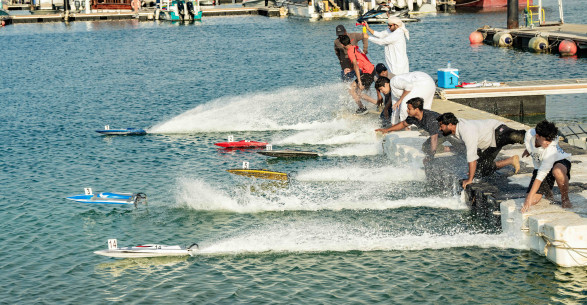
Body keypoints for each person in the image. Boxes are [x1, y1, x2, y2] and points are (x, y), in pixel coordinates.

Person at [436, 112, 524, 189]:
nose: (440, 128)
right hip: (490, 144)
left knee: (517, 137)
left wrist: (469, 180)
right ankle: (511, 160)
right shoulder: (453, 131)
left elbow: (472, 157)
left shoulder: (466, 131)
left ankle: (535, 135)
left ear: (450, 125)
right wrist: (473, 170)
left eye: (441, 126)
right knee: (481, 171)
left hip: (496, 130)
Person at [521, 120, 572, 212]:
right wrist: (529, 150)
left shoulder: (550, 149)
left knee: (557, 172)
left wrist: (529, 197)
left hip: (559, 161)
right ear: (537, 136)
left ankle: (565, 199)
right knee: (532, 201)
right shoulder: (529, 134)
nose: (549, 142)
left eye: (551, 140)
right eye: (546, 140)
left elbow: (541, 175)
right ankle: (548, 191)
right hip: (542, 164)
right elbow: (531, 144)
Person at [376, 97, 443, 161]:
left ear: (416, 109)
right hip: (439, 134)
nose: (407, 110)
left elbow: (434, 138)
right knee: (425, 147)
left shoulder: (430, 119)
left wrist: (430, 157)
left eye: (409, 109)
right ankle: (449, 148)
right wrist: (387, 130)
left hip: (449, 132)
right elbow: (403, 124)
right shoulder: (413, 117)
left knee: (432, 147)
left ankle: (452, 148)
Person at [339, 35, 376, 115]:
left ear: (342, 45)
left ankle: (362, 108)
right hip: (371, 70)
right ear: (350, 41)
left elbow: (356, 65)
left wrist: (359, 81)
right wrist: (351, 69)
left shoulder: (350, 51)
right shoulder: (355, 47)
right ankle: (378, 103)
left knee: (351, 89)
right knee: (358, 92)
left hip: (367, 73)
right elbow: (360, 60)